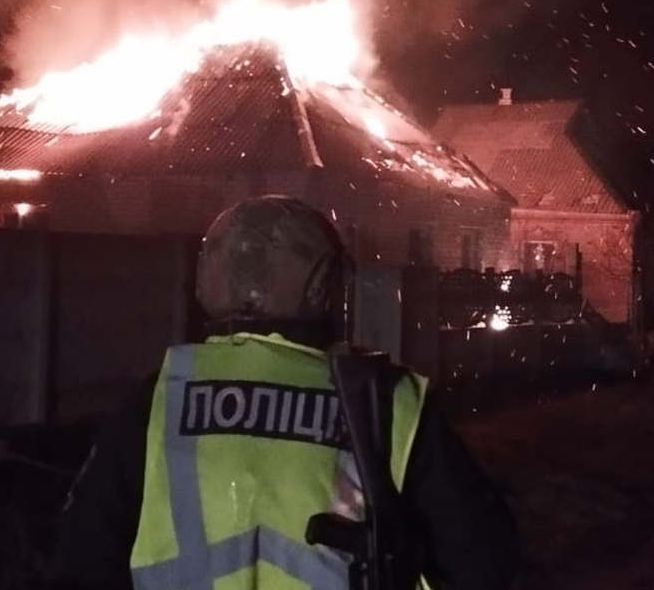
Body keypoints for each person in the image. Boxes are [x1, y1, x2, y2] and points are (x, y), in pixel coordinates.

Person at [55, 195, 519, 590]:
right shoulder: (386, 403)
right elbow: (484, 563)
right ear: (323, 285)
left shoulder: (159, 399)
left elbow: (82, 555)